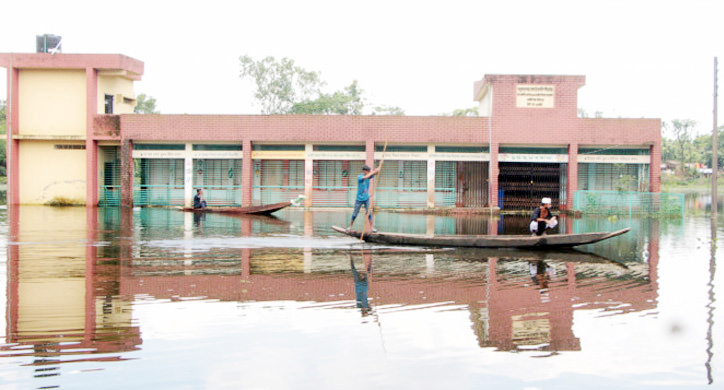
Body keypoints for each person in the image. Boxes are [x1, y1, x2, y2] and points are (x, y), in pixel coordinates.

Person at [346, 164, 381, 232]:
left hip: (366, 198)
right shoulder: (360, 177)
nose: (368, 172)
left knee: (369, 213)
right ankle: (350, 226)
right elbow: (366, 176)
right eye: (367, 171)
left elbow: (374, 174)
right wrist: (374, 171)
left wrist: (378, 169)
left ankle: (372, 228)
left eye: (369, 171)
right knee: (355, 214)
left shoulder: (368, 176)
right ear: (364, 171)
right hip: (359, 199)